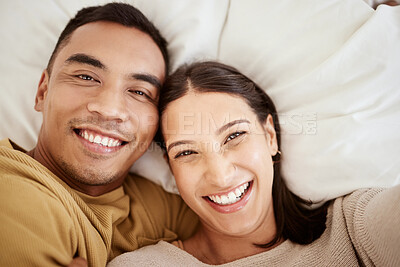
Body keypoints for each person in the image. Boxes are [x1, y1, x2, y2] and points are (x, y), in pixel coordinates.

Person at [108, 61, 400, 266]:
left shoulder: (353, 228)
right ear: (171, 168)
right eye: (186, 153)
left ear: (270, 136)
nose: (221, 176)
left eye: (234, 136)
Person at [0, 3, 198, 267]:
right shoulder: (13, 198)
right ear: (43, 92)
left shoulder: (162, 205)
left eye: (139, 92)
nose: (109, 109)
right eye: (86, 76)